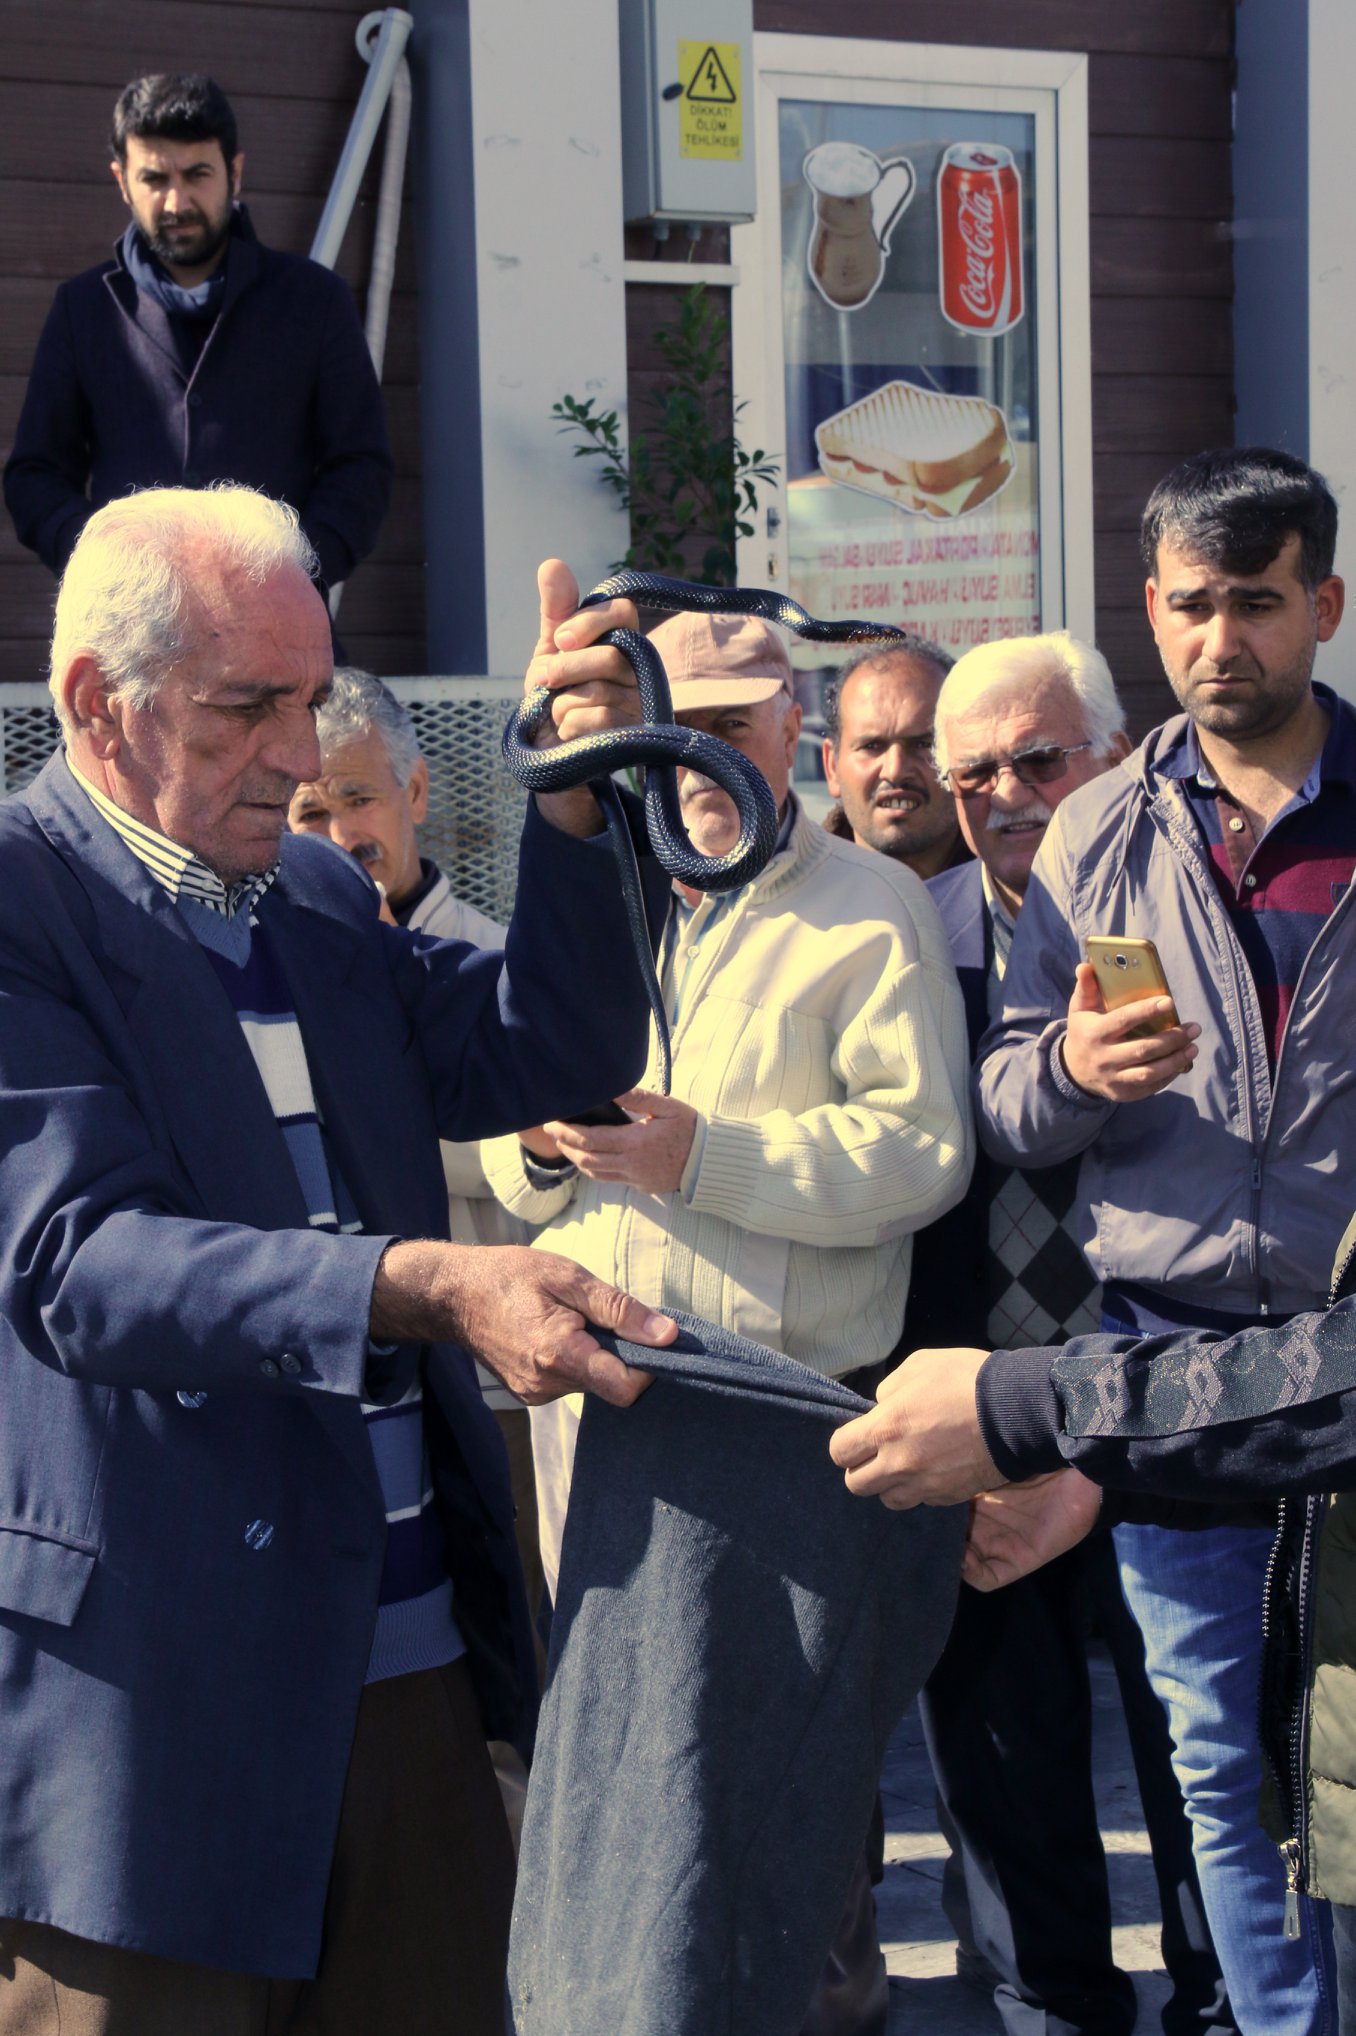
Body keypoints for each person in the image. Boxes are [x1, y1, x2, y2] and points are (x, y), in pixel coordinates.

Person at [0, 487, 678, 2033]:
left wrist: (575, 803)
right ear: (97, 703)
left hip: (404, 1664)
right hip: (148, 1701)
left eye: (310, 702)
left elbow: (551, 1050)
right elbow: (75, 1260)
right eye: (250, 707)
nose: (303, 758)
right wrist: (422, 1286)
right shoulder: (22, 901)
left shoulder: (313, 892)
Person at [837, 446, 1356, 2035]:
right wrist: (1073, 1065)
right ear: (1151, 608)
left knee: (1341, 1797)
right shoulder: (1100, 836)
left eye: (1256, 603)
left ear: (1325, 606)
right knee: (1220, 1781)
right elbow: (1005, 1099)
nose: (1220, 640)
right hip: (1168, 1380)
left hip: (1341, 1372)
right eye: (1191, 606)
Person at [482, 596, 974, 2036]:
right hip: (603, 1408)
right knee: (616, 1771)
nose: (699, 760)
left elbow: (923, 1155)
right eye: (675, 730)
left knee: (790, 1785)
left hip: (781, 1419)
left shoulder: (869, 905)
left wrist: (706, 1155)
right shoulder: (606, 896)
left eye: (731, 727)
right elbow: (504, 1148)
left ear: (791, 731)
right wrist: (537, 1145)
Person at [909, 631, 1233, 2036]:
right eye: (971, 772)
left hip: (1177, 1430)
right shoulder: (903, 936)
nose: (1005, 794)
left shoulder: (1206, 917)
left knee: (1213, 1800)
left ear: (1111, 754)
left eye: (1039, 759)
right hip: (980, 1437)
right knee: (1010, 1821)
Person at [288, 667, 545, 1649]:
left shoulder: (497, 968)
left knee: (510, 1656)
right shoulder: (261, 969)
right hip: (323, 1384)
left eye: (358, 798)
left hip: (489, 1387)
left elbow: (550, 1156)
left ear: (418, 791)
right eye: (309, 810)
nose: (339, 833)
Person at [4, 73, 391, 591]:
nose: (176, 202)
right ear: (122, 181)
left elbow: (362, 466)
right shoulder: (83, 308)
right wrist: (107, 565)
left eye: (197, 174)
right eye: (154, 179)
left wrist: (293, 572)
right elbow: (35, 476)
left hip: (280, 618)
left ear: (235, 172)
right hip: (131, 622)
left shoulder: (315, 300)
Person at [820, 636, 971, 878]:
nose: (895, 770)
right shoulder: (785, 897)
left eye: (924, 744)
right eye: (872, 746)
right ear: (831, 767)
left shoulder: (1022, 890)